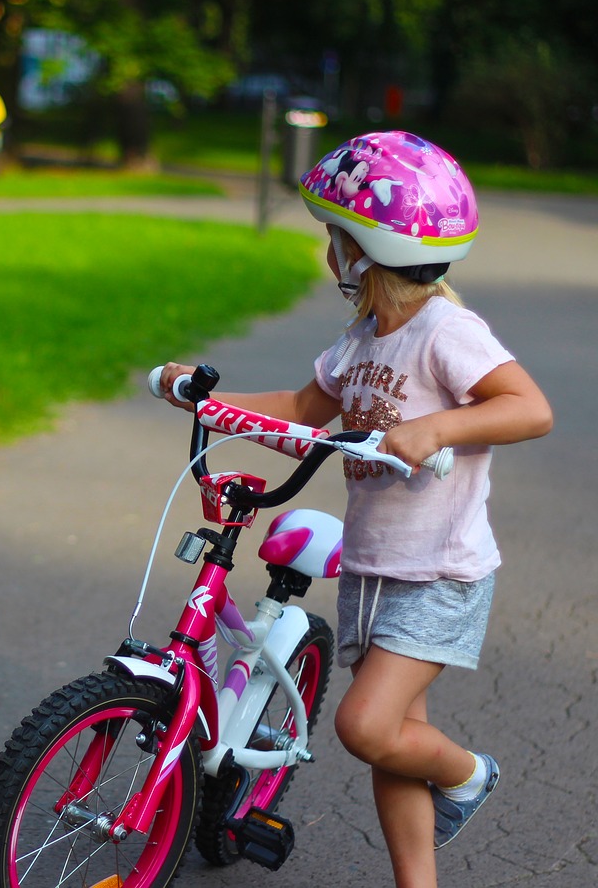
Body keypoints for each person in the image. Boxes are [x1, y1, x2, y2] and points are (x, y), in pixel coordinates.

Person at [156, 130, 553, 888]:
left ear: (365, 250)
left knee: (365, 727)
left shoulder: (447, 332)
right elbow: (301, 412)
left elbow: (528, 408)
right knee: (396, 736)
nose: (329, 250)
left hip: (438, 573)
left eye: (335, 237)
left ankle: (470, 775)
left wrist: (436, 426)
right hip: (375, 568)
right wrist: (206, 402)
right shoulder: (361, 341)